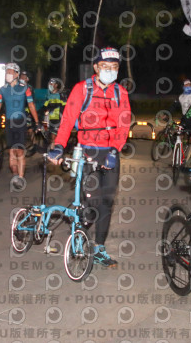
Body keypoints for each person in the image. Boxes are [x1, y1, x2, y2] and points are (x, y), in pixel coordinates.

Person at [47, 47, 131, 267]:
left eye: (114, 67)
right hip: (88, 151)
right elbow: (68, 120)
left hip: (110, 153)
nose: (110, 70)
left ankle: (100, 249)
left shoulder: (120, 92)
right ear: (95, 67)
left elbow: (123, 124)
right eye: (105, 66)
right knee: (92, 203)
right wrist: (59, 146)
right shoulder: (82, 89)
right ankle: (80, 231)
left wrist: (115, 149)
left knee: (107, 203)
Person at [0, 63, 40, 189]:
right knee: (11, 151)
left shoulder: (24, 88)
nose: (8, 74)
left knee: (20, 150)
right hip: (9, 122)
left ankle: (21, 178)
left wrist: (37, 122)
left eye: (10, 72)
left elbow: (31, 105)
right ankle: (15, 175)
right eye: (6, 72)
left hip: (20, 122)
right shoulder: (3, 89)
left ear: (16, 74)